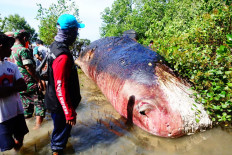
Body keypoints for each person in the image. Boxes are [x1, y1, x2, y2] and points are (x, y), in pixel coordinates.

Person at [45, 14, 83, 155]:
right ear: (70, 32)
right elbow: (60, 87)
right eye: (76, 31)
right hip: (61, 106)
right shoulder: (63, 55)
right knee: (59, 143)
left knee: (61, 134)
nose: (77, 34)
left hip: (55, 100)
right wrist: (69, 113)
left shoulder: (54, 46)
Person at [8, 30, 45, 130]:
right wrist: (38, 80)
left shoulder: (9, 50)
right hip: (29, 82)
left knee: (26, 106)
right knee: (39, 104)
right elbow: (28, 67)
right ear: (24, 38)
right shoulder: (23, 50)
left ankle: (26, 127)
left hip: (17, 83)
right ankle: (38, 128)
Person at [0, 33, 29, 152]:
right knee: (7, 146)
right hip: (2, 118)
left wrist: (6, 89)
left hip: (17, 112)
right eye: (8, 46)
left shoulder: (12, 66)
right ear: (0, 46)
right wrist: (14, 86)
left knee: (19, 140)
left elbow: (23, 85)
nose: (11, 49)